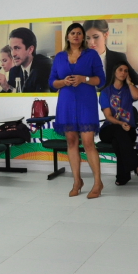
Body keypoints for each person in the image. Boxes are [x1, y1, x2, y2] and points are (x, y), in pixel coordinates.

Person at [49, 23, 105, 198]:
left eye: (79, 33)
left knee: (88, 143)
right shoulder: (59, 57)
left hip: (86, 103)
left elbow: (100, 80)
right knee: (72, 142)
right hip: (66, 104)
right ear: (67, 36)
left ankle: (98, 183)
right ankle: (77, 181)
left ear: (83, 37)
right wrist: (63, 82)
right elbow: (52, 82)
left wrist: (84, 78)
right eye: (72, 33)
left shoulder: (92, 55)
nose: (76, 36)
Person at [99, 61, 138, 186]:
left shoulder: (128, 90)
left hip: (128, 130)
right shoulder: (106, 92)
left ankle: (123, 177)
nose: (123, 73)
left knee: (118, 140)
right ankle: (136, 164)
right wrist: (120, 123)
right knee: (118, 131)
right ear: (114, 72)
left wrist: (130, 83)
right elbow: (108, 116)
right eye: (120, 70)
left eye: (126, 71)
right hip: (108, 130)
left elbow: (137, 96)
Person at [83, 19, 138, 89]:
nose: (91, 42)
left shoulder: (118, 58)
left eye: (96, 37)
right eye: (87, 38)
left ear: (106, 35)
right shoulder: (79, 58)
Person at [0, 28, 53, 93]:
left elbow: (39, 99)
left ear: (30, 49)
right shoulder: (14, 71)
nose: (13, 54)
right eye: (11, 49)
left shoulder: (44, 67)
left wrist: (8, 88)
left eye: (17, 48)